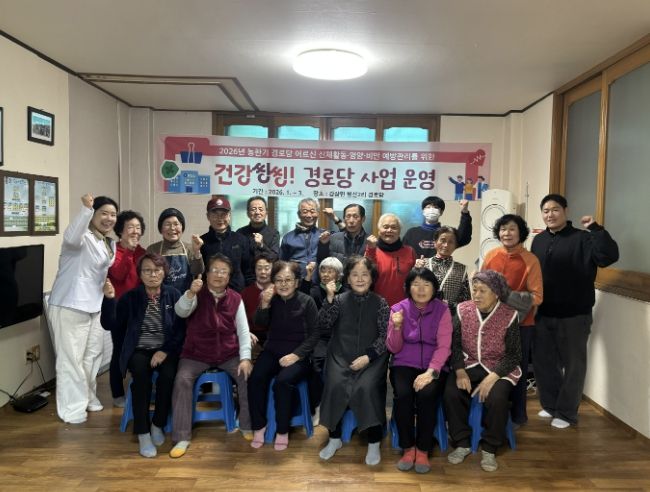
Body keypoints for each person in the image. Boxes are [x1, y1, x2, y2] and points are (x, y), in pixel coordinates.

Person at [531, 194, 619, 429]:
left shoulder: (583, 238)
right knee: (543, 362)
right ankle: (551, 405)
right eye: (546, 210)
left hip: (575, 313)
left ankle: (567, 413)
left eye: (555, 209)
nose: (550, 214)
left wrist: (596, 229)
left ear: (565, 211)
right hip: (543, 312)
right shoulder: (538, 240)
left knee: (573, 365)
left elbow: (609, 257)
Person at [101, 253, 185, 458]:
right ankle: (143, 432)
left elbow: (181, 330)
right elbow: (109, 324)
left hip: (166, 349)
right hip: (139, 350)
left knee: (168, 377)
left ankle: (157, 423)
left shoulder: (174, 295)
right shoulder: (130, 298)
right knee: (140, 377)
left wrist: (165, 350)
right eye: (147, 270)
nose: (152, 275)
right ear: (140, 274)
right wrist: (109, 299)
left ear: (164, 272)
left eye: (157, 270)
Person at [169, 254, 253, 458]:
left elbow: (243, 331)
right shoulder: (196, 293)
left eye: (224, 271)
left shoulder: (236, 298)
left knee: (247, 376)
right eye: (214, 270)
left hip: (228, 353)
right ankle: (182, 437)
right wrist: (190, 293)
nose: (218, 275)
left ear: (229, 276)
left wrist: (245, 358)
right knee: (181, 380)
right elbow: (180, 312)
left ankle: (246, 424)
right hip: (196, 353)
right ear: (207, 274)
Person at [48, 194, 118, 424]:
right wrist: (85, 209)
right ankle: (72, 409)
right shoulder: (79, 238)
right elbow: (71, 236)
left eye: (113, 214)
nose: (109, 218)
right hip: (70, 304)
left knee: (92, 356)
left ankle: (88, 397)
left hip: (95, 305)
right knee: (71, 359)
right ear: (93, 215)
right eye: (103, 213)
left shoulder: (107, 242)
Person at [444, 270, 522, 473]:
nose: (476, 295)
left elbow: (514, 355)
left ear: (496, 293)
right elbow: (454, 345)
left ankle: (490, 447)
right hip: (468, 364)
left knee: (497, 398)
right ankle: (461, 442)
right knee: (452, 392)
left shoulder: (509, 314)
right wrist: (459, 371)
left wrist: (493, 377)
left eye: (483, 291)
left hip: (499, 367)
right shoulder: (463, 309)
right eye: (475, 289)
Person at [318, 256, 390, 466]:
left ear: (372, 278)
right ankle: (334, 438)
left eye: (364, 275)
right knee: (334, 385)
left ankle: (374, 442)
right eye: (354, 275)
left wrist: (368, 357)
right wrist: (329, 298)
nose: (359, 279)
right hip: (340, 357)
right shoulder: (338, 300)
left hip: (371, 359)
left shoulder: (381, 303)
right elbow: (324, 325)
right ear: (347, 278)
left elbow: (385, 337)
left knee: (366, 388)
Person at [248, 261, 319, 451]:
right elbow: (259, 323)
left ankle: (282, 430)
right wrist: (264, 304)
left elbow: (315, 334)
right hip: (272, 350)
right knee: (256, 378)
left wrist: (296, 355)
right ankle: (259, 425)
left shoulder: (307, 301)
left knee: (282, 382)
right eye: (279, 280)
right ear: (273, 283)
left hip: (299, 354)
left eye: (288, 280)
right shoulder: (271, 299)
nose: (283, 284)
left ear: (296, 282)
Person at [387, 268, 452, 474]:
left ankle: (423, 449)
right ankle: (408, 447)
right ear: (408, 287)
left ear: (434, 288)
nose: (421, 289)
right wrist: (397, 327)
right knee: (403, 395)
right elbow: (393, 348)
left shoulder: (442, 310)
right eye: (416, 284)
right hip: (404, 363)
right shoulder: (398, 309)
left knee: (427, 394)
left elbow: (444, 346)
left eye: (426, 284)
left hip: (434, 365)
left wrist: (431, 372)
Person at [482, 214, 543, 426]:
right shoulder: (491, 255)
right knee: (491, 366)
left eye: (512, 229)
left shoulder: (530, 260)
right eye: (503, 229)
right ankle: (491, 412)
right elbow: (481, 286)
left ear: (520, 233)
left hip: (521, 324)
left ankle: (518, 416)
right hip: (492, 322)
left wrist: (506, 295)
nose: (507, 233)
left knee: (517, 369)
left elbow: (537, 297)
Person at [106, 210, 147, 408]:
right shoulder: (112, 250)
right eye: (130, 227)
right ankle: (117, 393)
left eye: (138, 227)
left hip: (139, 309)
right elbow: (119, 274)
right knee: (120, 350)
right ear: (120, 231)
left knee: (138, 350)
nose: (135, 231)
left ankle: (138, 387)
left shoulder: (143, 252)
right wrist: (129, 251)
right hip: (119, 309)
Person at [301, 257, 346, 415]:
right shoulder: (314, 291)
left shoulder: (345, 292)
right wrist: (328, 297)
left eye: (330, 271)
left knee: (338, 365)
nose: (325, 274)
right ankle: (317, 405)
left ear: (338, 275)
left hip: (340, 336)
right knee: (316, 364)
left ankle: (336, 403)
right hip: (319, 336)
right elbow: (312, 317)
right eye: (323, 270)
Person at [201, 196, 253, 292]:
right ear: (208, 216)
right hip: (211, 294)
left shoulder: (241, 240)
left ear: (229, 216)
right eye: (215, 214)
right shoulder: (202, 242)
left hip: (238, 293)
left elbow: (248, 272)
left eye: (223, 214)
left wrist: (247, 293)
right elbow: (200, 273)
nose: (220, 218)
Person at [147, 208, 204, 294]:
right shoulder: (153, 249)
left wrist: (197, 251)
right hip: (160, 298)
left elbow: (197, 271)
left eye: (176, 224)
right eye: (167, 224)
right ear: (161, 229)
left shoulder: (189, 248)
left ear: (182, 227)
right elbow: (147, 276)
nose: (172, 228)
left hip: (186, 298)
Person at [364, 213, 416, 307]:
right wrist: (370, 249)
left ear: (399, 231)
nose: (389, 230)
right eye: (385, 227)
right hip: (376, 307)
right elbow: (365, 276)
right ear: (379, 230)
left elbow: (415, 280)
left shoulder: (410, 251)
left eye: (394, 227)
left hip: (404, 307)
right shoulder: (371, 250)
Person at [415, 226, 471, 312]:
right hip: (422, 315)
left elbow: (466, 302)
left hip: (449, 317)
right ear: (435, 242)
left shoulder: (461, 270)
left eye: (451, 242)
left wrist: (451, 306)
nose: (446, 245)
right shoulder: (422, 264)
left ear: (455, 246)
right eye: (443, 240)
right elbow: (409, 290)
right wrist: (415, 271)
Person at [403, 196, 472, 258]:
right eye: (428, 207)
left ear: (441, 212)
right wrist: (414, 262)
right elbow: (403, 253)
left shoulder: (446, 233)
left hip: (441, 267)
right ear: (423, 211)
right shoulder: (412, 233)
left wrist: (465, 212)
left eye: (435, 207)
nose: (431, 210)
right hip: (417, 268)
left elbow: (463, 238)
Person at [279, 198, 324, 276]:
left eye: (312, 211)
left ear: (318, 214)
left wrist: (335, 219)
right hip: (295, 280)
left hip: (318, 280)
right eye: (305, 212)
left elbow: (344, 235)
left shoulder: (324, 235)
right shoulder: (288, 237)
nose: (309, 215)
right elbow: (282, 264)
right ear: (299, 214)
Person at [240, 253, 275, 348]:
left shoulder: (280, 291)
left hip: (276, 337)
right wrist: (246, 333)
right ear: (254, 270)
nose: (263, 272)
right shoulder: (245, 293)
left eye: (267, 268)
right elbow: (238, 320)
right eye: (259, 268)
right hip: (253, 338)